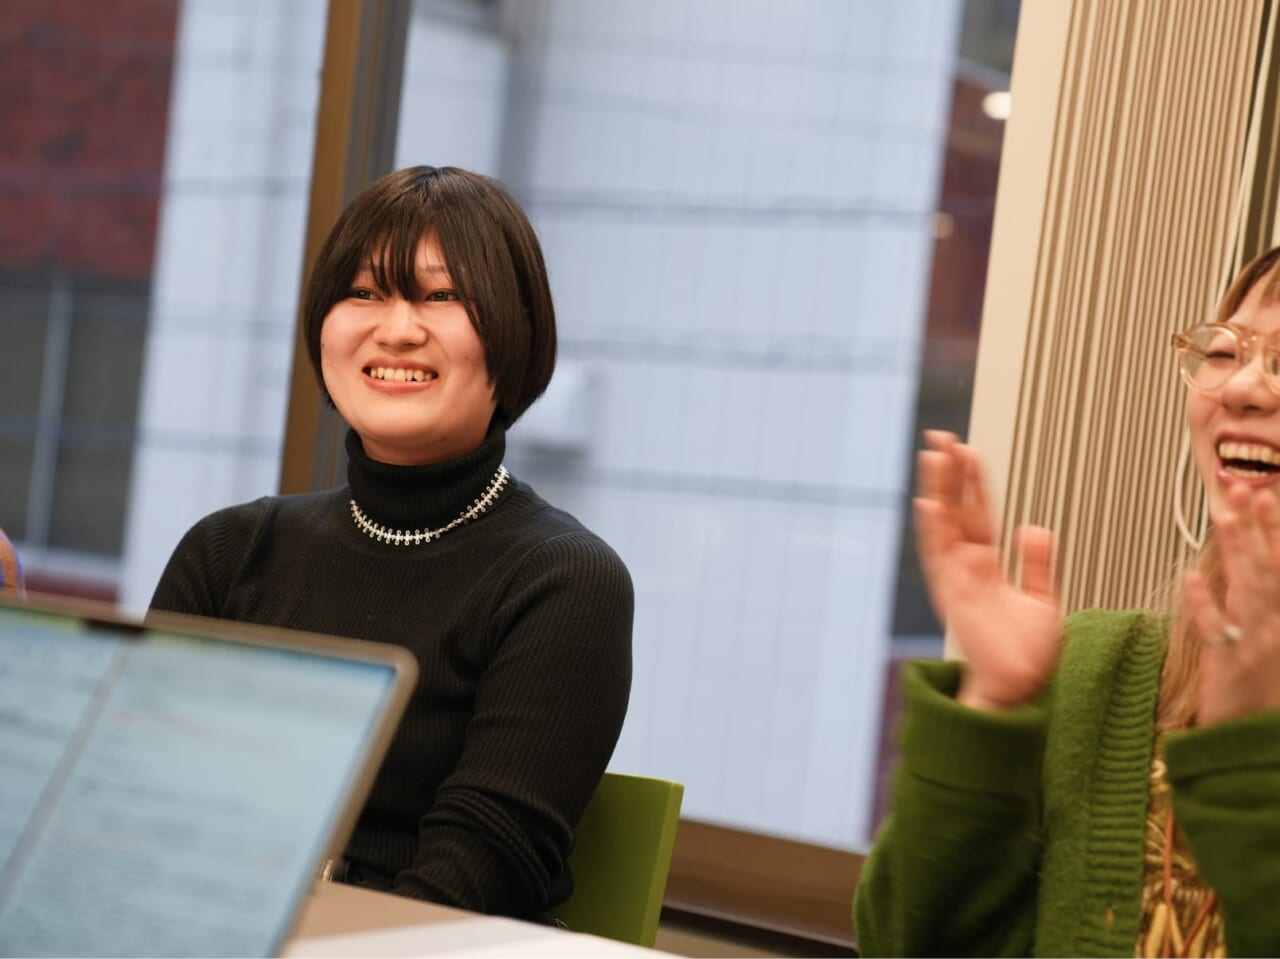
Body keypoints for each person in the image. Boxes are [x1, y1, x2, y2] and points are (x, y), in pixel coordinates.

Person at [149, 166, 633, 923]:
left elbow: (470, 885)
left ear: (515, 333)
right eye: (365, 292)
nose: (398, 328)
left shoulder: (563, 580)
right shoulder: (228, 551)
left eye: (441, 296)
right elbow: (130, 806)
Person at [854, 246, 1280, 958]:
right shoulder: (1097, 669)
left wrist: (1246, 761)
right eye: (1225, 350)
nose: (1242, 386)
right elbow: (904, 943)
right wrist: (990, 707)